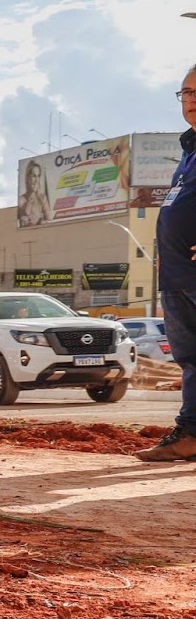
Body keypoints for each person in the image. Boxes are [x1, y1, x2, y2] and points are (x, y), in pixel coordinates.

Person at [134, 65, 196, 461]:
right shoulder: (189, 151)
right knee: (190, 360)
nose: (190, 99)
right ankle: (190, 435)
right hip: (178, 277)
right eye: (185, 92)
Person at [17, 161, 51, 227]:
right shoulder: (21, 200)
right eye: (34, 176)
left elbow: (49, 220)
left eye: (38, 176)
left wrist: (43, 223)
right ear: (27, 178)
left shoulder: (42, 198)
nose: (36, 180)